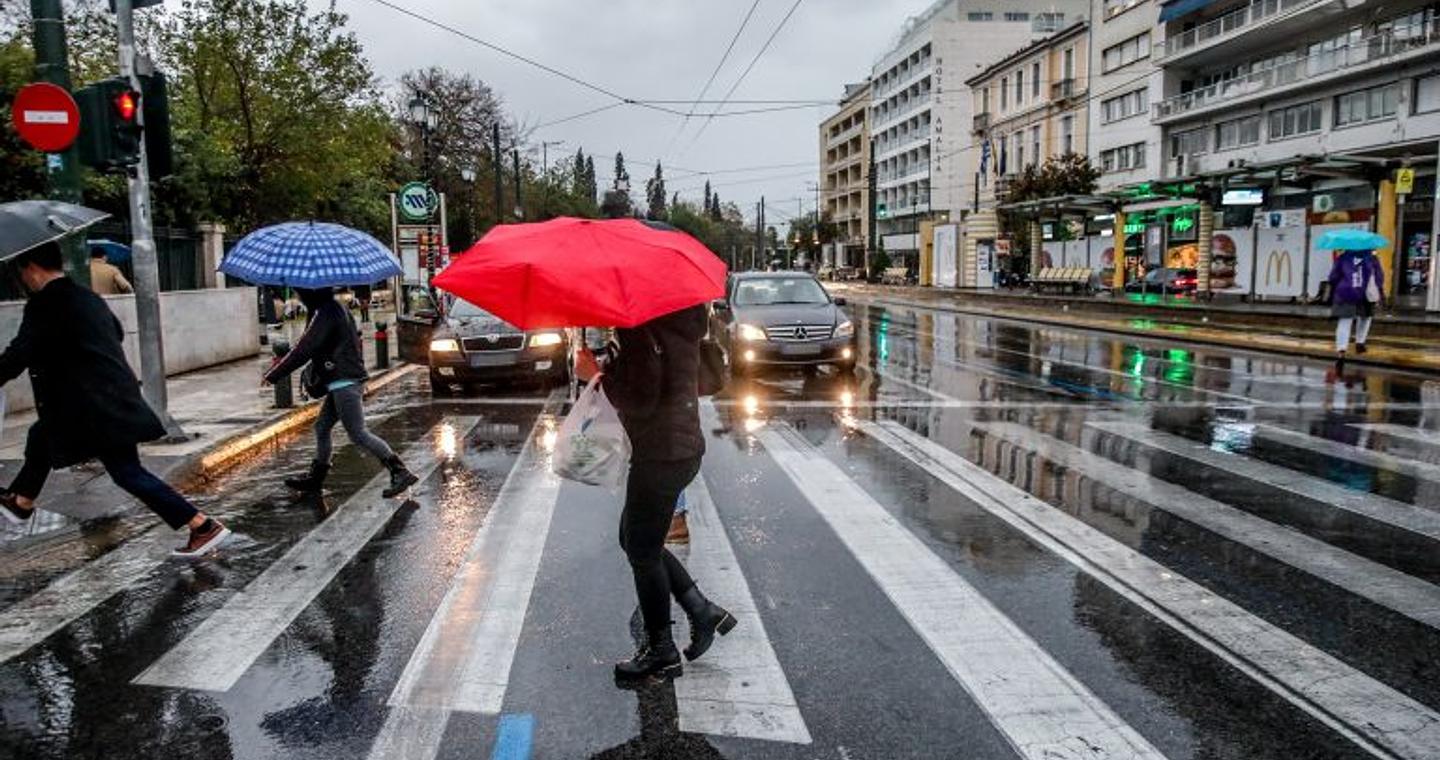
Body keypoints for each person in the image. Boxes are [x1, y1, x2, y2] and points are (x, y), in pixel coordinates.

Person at [0, 242, 229, 557]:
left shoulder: (45, 304)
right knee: (42, 433)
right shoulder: (87, 297)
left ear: (31, 268)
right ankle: (22, 501)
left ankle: (202, 525)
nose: (23, 279)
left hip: (93, 406)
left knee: (127, 473)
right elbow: (116, 333)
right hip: (110, 397)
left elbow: (19, 354)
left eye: (22, 271)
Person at [575, 304, 736, 684]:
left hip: (661, 452)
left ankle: (662, 651)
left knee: (642, 551)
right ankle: (701, 610)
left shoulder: (641, 329)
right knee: (634, 540)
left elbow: (640, 399)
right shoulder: (677, 321)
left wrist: (594, 376)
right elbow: (658, 382)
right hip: (679, 447)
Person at [264, 287, 418, 498]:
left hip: (344, 381)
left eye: (300, 293)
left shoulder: (327, 312)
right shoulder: (333, 309)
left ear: (311, 293)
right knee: (322, 427)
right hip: (341, 380)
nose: (298, 297)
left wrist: (275, 374)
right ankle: (316, 478)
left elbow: (305, 348)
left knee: (358, 433)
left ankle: (399, 471)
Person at [1327, 247, 1384, 364]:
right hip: (1365, 294)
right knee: (1365, 317)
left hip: (1346, 293)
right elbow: (1379, 276)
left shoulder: (1343, 258)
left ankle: (1341, 350)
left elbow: (1333, 277)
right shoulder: (1372, 258)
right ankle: (1360, 343)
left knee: (1345, 321)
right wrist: (1379, 290)